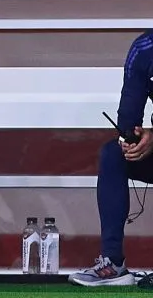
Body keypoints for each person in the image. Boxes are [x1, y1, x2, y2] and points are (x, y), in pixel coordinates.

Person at [69, 30, 153, 287]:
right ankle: (113, 263)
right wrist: (132, 139)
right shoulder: (145, 47)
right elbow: (129, 109)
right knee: (113, 154)